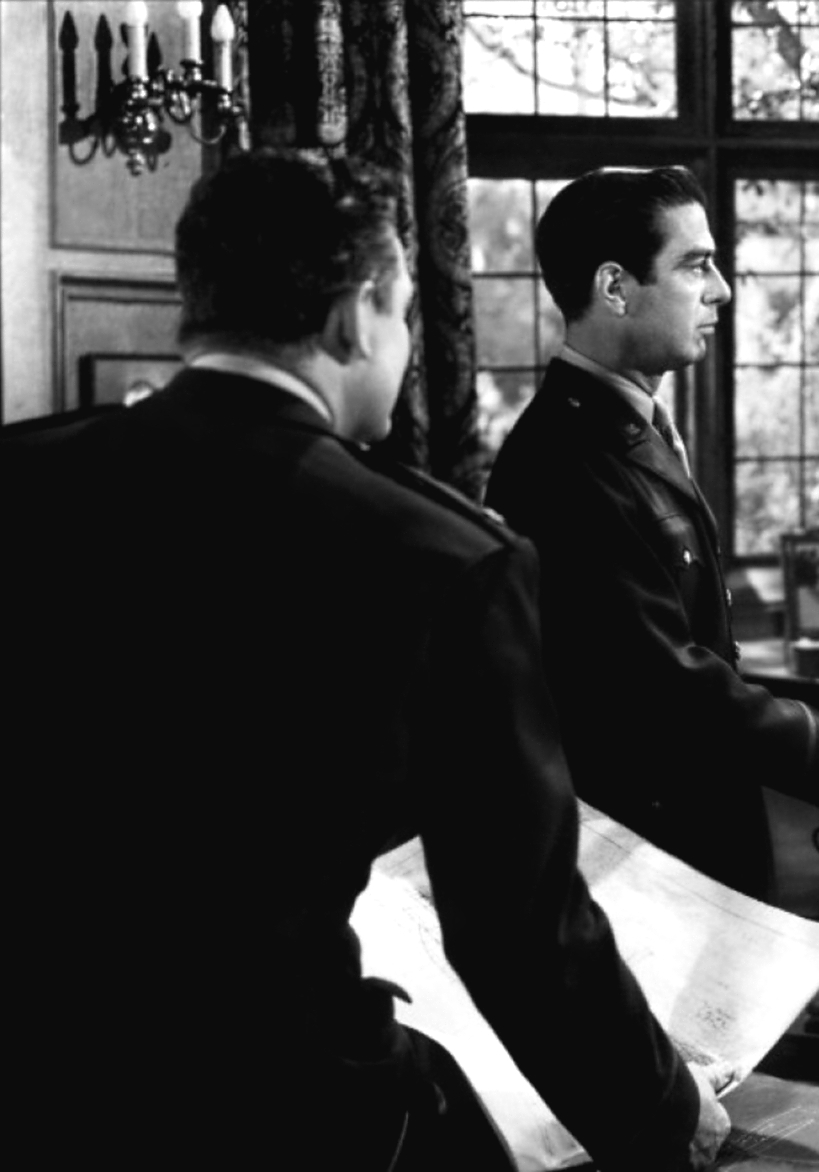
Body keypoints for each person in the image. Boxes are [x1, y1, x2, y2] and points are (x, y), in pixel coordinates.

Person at [1, 151, 727, 1171]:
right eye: (403, 314)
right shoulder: (446, 558)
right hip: (279, 1102)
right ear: (356, 318)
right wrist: (659, 1111)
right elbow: (520, 929)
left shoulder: (21, 478)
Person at [485, 166, 819, 900]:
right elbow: (665, 685)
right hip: (644, 866)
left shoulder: (626, 426)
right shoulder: (564, 462)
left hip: (684, 845)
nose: (721, 289)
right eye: (695, 265)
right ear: (615, 287)